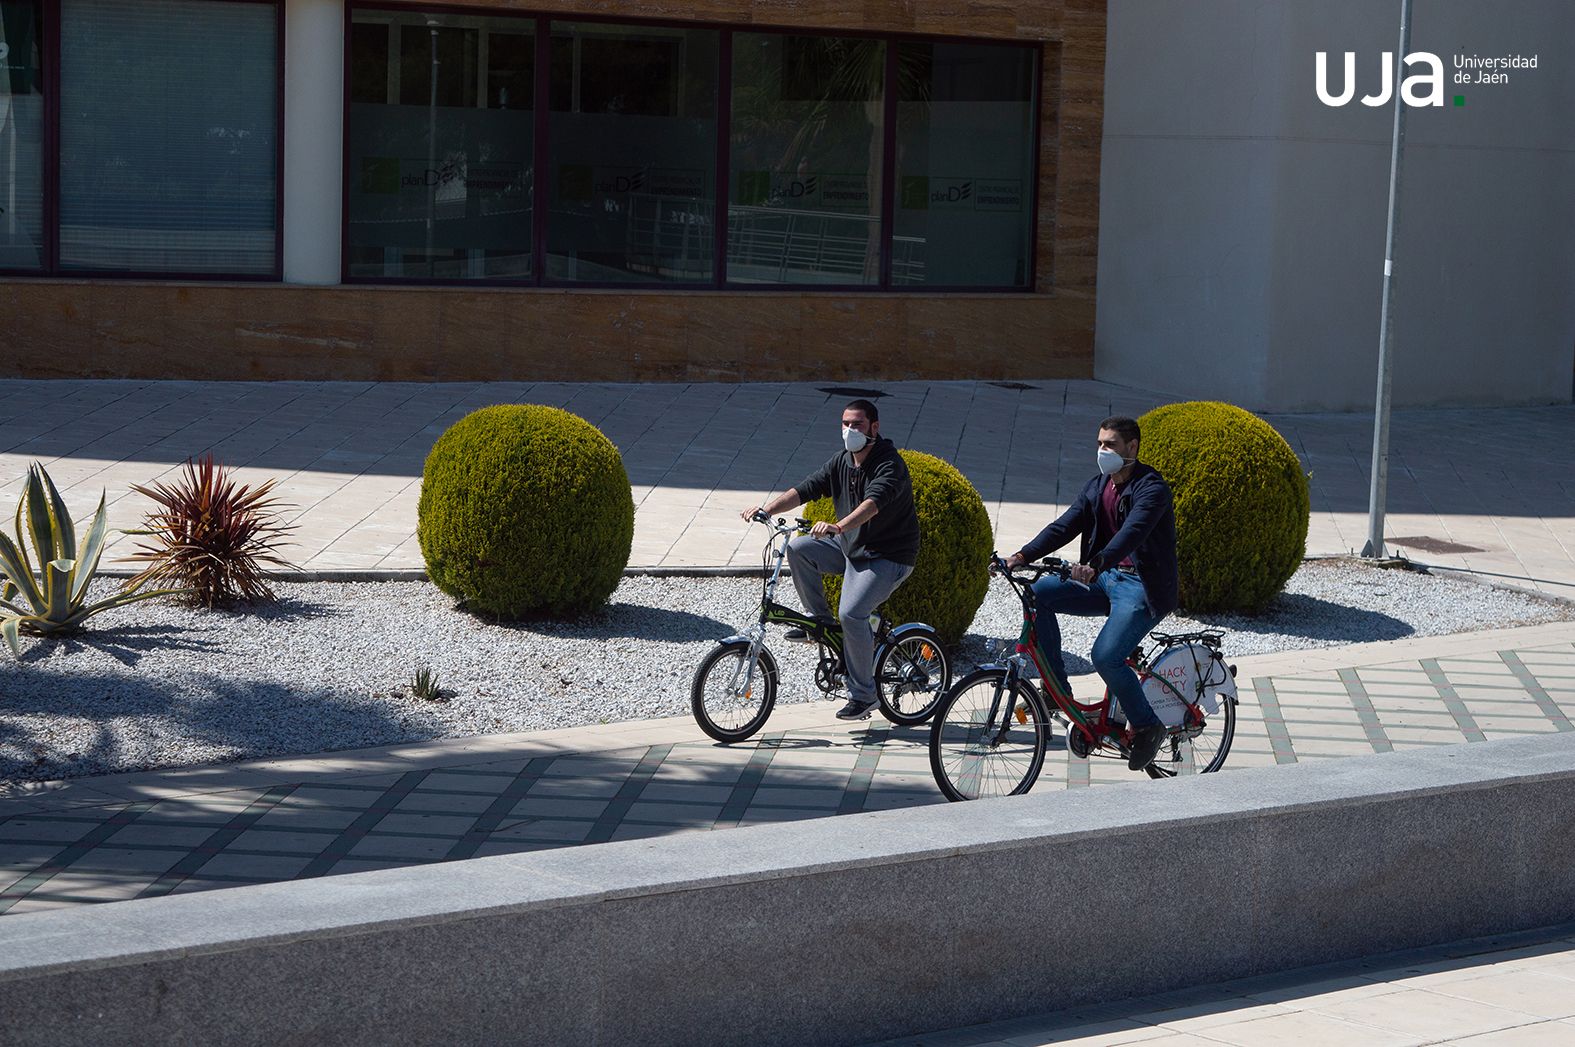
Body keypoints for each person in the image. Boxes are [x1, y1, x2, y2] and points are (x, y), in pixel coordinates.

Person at [1005, 416, 1179, 770]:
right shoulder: (1099, 486)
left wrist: (1096, 563)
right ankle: (1056, 692)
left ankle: (1148, 726)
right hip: (1104, 578)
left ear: (1132, 447)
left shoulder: (1152, 489)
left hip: (1140, 587)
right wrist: (1021, 556)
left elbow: (1132, 533)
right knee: (1039, 593)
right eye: (1099, 444)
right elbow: (1065, 524)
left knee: (1105, 656)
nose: (1102, 451)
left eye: (1110, 444)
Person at [742, 399, 921, 720]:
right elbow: (805, 489)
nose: (850, 430)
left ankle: (865, 695)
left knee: (852, 614)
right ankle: (820, 623)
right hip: (852, 547)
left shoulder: (888, 464)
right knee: (800, 549)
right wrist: (767, 509)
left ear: (874, 428)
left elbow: (872, 503)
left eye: (857, 425)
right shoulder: (842, 461)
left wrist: (839, 527)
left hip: (887, 556)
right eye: (846, 424)